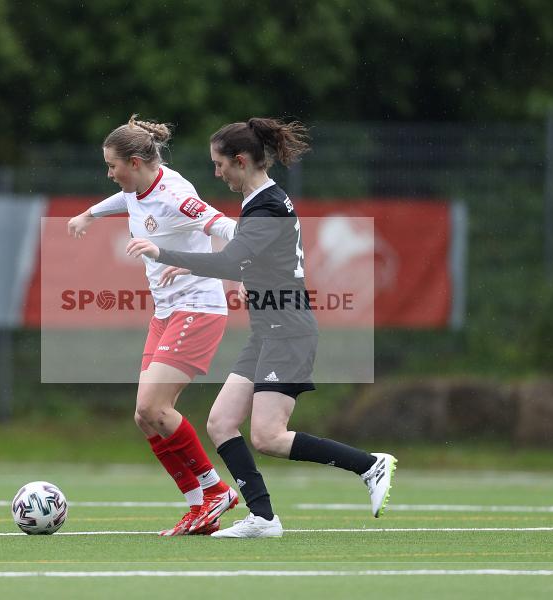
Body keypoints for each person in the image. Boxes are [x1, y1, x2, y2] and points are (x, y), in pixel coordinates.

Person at [127, 117, 397, 538]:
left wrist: (165, 254)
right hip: (268, 329)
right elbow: (241, 258)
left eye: (220, 165)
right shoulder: (259, 201)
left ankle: (369, 465)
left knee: (269, 436)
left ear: (240, 161)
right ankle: (264, 519)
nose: (216, 173)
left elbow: (232, 260)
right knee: (220, 423)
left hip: (288, 331)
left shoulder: (268, 203)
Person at [67, 115, 240, 536]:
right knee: (144, 418)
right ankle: (199, 507)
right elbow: (127, 201)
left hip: (198, 309)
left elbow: (233, 231)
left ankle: (216, 490)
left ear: (136, 162)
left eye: (112, 166)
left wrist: (195, 264)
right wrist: (89, 214)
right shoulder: (139, 187)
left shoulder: (176, 196)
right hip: (166, 314)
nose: (109, 174)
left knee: (153, 408)